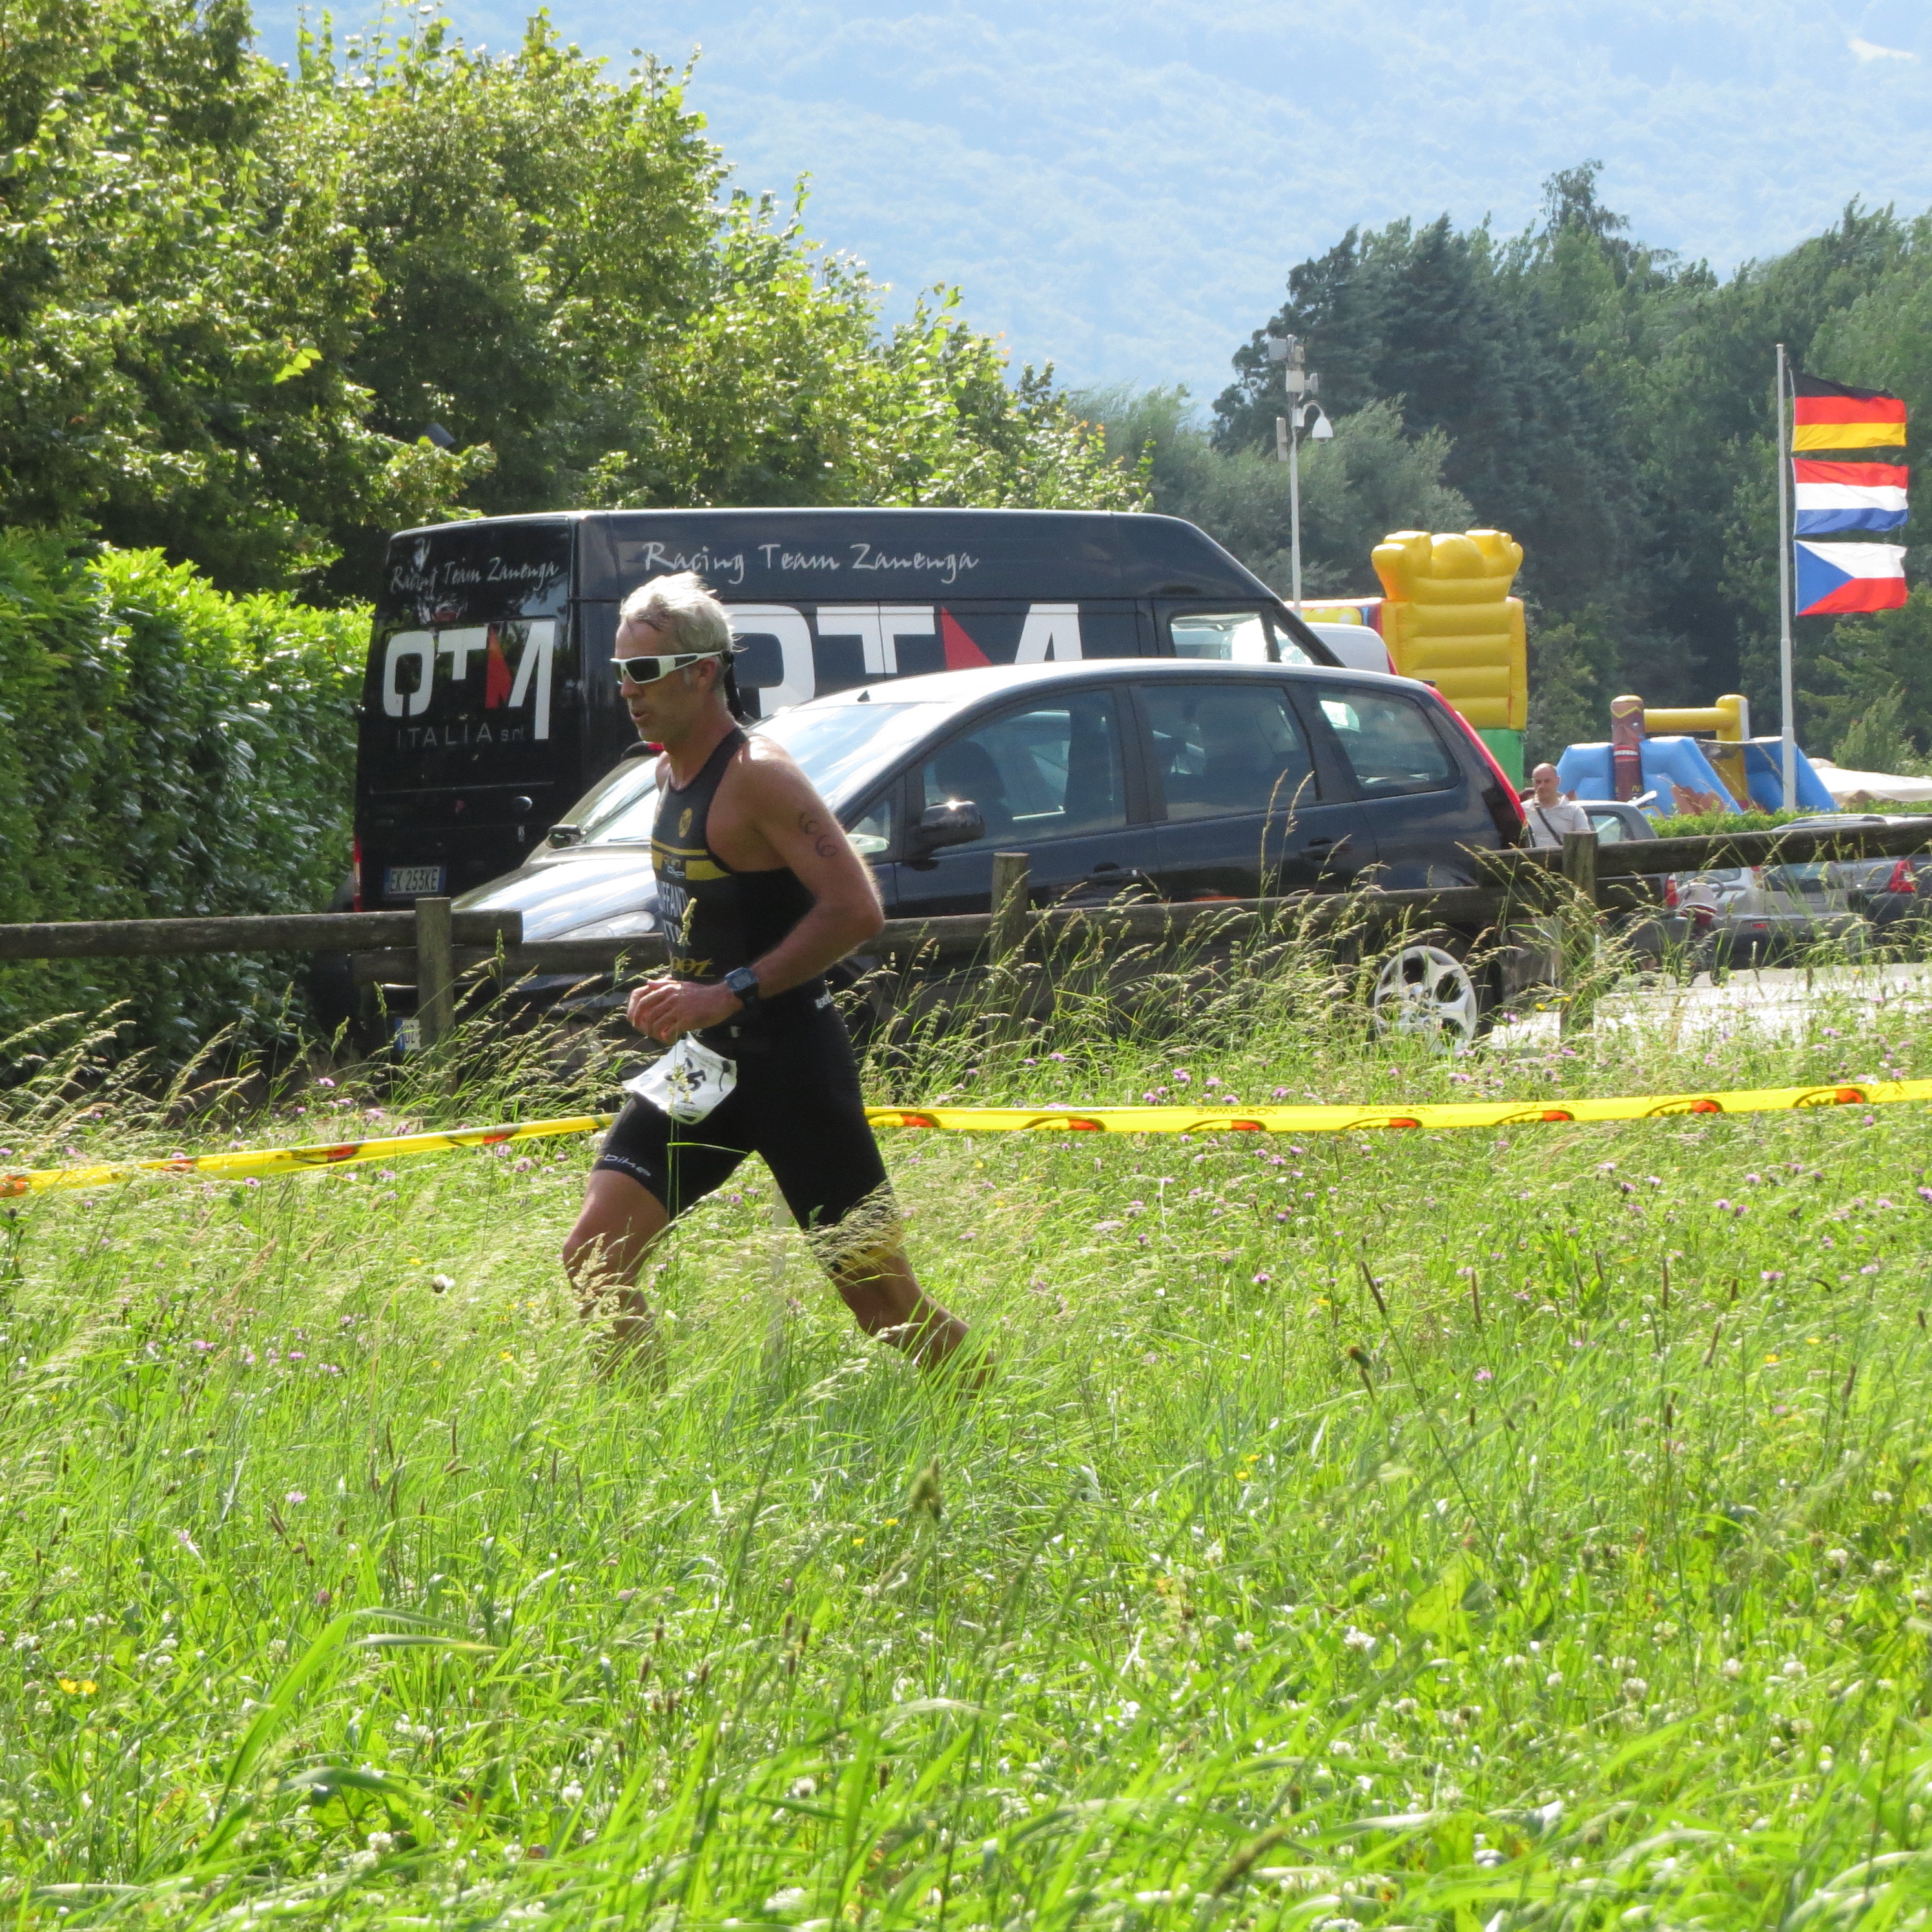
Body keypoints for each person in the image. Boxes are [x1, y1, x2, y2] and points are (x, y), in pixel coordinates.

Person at [561, 572, 973, 1372]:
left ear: (702, 671)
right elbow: (719, 916)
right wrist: (682, 991)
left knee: (883, 1307)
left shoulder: (758, 774)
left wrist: (726, 991)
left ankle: (990, 1418)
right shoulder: (663, 775)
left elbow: (856, 909)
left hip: (790, 1068)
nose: (627, 692)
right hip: (705, 1069)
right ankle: (644, 1443)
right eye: (619, 673)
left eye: (643, 672)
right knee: (594, 1258)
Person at [1522, 763, 1592, 850]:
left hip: (1563, 862)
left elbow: (1584, 843)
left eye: (1547, 781)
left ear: (1558, 781)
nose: (1542, 786)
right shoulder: (1523, 810)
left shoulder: (1574, 811)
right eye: (1538, 782)